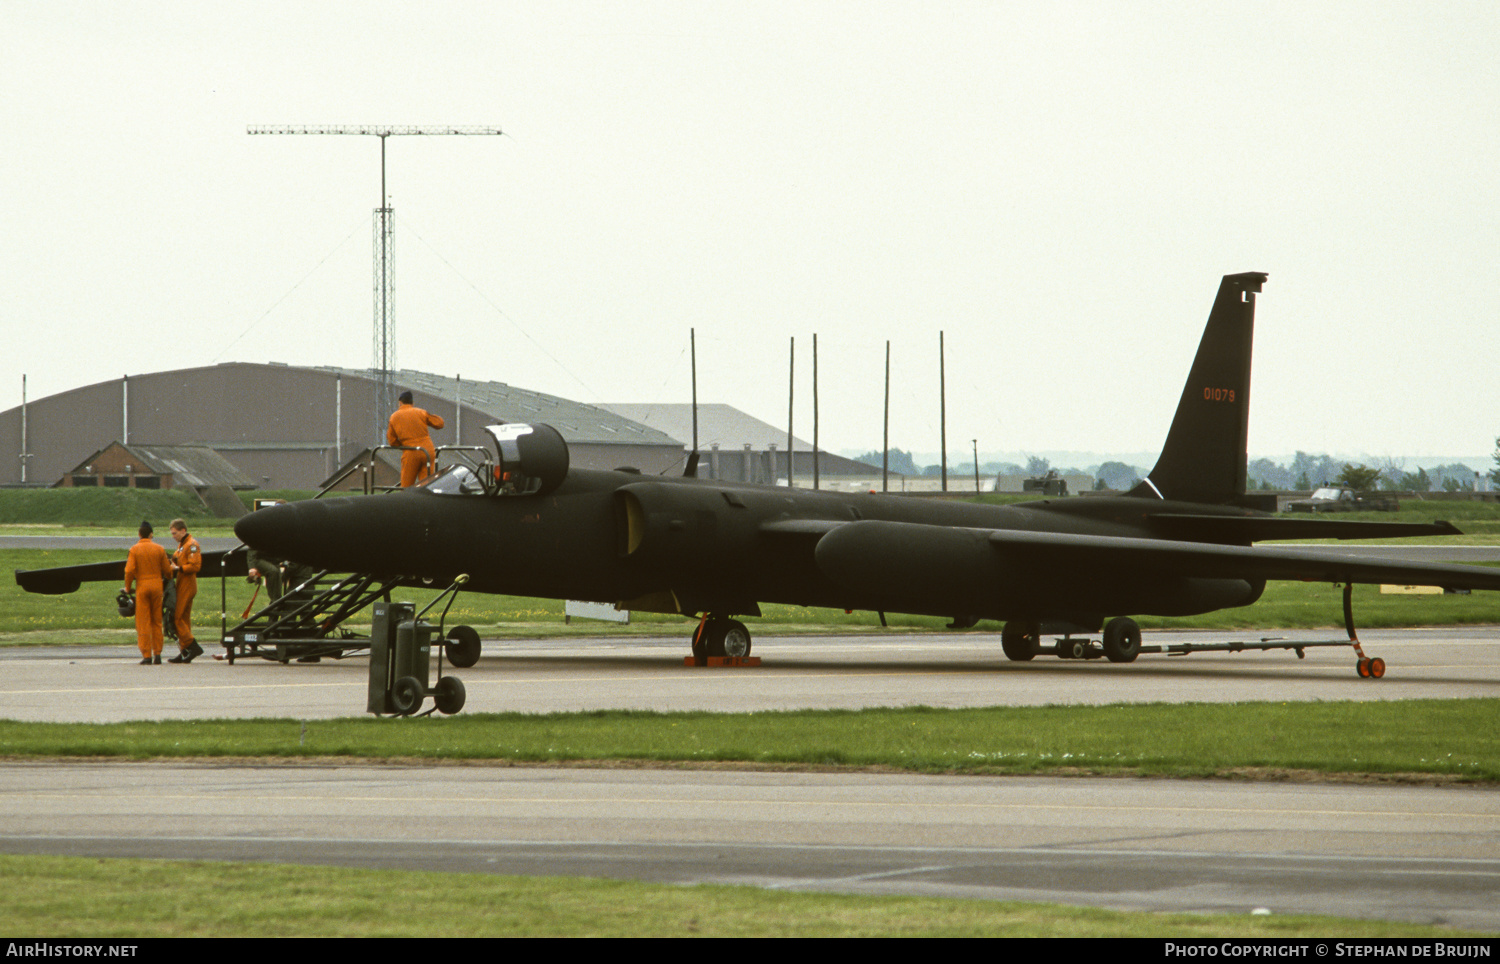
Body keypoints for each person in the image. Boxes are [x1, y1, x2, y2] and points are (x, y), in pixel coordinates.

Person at [123, 521, 172, 665]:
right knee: (157, 621)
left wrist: (127, 587)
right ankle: (158, 654)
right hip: (157, 586)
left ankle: (146, 655)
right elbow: (167, 570)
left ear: (139, 534)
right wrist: (168, 578)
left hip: (142, 587)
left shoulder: (134, 549)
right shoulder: (159, 549)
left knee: (143, 621)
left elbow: (129, 570)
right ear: (151, 534)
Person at [386, 390, 445, 487]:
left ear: (400, 403)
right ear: (412, 403)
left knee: (407, 486)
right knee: (426, 484)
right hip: (428, 451)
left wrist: (402, 446)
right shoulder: (421, 412)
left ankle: (407, 501)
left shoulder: (394, 417)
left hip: (410, 451)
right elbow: (440, 423)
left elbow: (392, 441)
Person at [166, 519, 203, 663]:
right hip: (181, 583)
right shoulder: (181, 545)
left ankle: (192, 646)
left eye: (175, 533)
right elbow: (176, 558)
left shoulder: (192, 545)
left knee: (177, 617)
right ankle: (184, 651)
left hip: (188, 583)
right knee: (184, 618)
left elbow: (195, 566)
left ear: (183, 531)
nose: (173, 536)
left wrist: (179, 568)